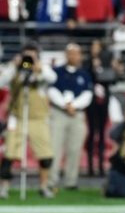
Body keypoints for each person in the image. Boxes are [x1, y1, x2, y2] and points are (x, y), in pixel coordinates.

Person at [0, 41, 57, 199]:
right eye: (27, 55)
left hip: (38, 118)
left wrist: (39, 67)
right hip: (17, 117)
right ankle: (4, 187)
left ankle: (43, 186)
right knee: (10, 153)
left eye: (32, 55)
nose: (28, 59)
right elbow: (1, 82)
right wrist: (14, 66)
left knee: (45, 154)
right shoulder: (14, 69)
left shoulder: (42, 69)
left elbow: (53, 78)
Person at [47, 43, 93, 191]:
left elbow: (88, 94)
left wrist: (74, 106)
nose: (74, 56)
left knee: (75, 149)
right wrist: (65, 105)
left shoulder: (84, 74)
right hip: (59, 113)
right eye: (71, 53)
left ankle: (71, 181)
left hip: (77, 114)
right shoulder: (57, 72)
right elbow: (52, 90)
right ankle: (51, 180)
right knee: (54, 148)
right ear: (66, 55)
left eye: (76, 53)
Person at [85, 39, 123, 177]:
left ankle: (101, 166)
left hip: (103, 100)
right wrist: (93, 67)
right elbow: (87, 78)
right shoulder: (88, 63)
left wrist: (117, 70)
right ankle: (90, 166)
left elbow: (112, 80)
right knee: (92, 132)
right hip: (91, 101)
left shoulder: (107, 62)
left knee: (101, 132)